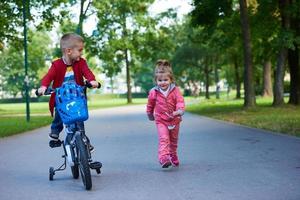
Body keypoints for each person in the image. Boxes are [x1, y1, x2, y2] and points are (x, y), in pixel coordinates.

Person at [37, 33, 99, 151]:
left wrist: (92, 80)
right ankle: (55, 131)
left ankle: (84, 140)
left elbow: (87, 72)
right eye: (80, 50)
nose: (81, 53)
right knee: (60, 114)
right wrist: (43, 86)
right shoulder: (57, 65)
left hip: (77, 97)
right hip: (62, 98)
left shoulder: (81, 62)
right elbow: (48, 76)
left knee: (79, 120)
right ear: (69, 51)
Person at [146, 59, 185, 168]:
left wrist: (179, 110)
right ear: (156, 80)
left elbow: (180, 101)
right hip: (161, 120)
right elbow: (150, 104)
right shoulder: (154, 92)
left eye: (165, 80)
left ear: (171, 79)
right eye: (160, 80)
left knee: (173, 140)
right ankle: (163, 157)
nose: (163, 82)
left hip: (175, 119)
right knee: (164, 138)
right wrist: (149, 114)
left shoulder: (175, 90)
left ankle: (173, 154)